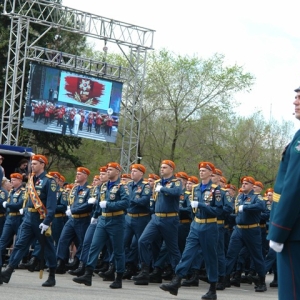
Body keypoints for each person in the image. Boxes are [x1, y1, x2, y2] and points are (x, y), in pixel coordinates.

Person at [159, 161, 223, 300]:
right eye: (200, 170)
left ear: (211, 173)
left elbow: (219, 211)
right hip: (196, 225)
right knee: (187, 254)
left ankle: (212, 289)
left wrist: (201, 205)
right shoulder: (195, 188)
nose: (201, 172)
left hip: (209, 225)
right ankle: (176, 282)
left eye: (205, 170)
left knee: (210, 257)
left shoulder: (215, 190)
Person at [1, 154, 58, 287]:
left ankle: (52, 275)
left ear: (42, 165)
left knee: (48, 247)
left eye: (35, 164)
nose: (32, 166)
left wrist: (47, 221)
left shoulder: (50, 181)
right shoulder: (31, 179)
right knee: (20, 244)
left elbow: (51, 205)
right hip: (28, 218)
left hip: (41, 219)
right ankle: (8, 271)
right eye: (31, 164)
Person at [73, 162, 130, 289]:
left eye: (110, 170)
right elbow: (100, 201)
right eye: (107, 169)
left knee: (118, 250)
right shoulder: (104, 186)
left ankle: (118, 277)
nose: (108, 171)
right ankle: (88, 275)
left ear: (117, 172)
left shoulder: (122, 186)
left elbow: (126, 203)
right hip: (103, 219)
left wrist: (109, 205)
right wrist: (96, 214)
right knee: (94, 246)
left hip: (116, 220)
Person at [267, 86, 300, 300]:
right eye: (296, 98)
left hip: (294, 232)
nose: (295, 102)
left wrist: (278, 230)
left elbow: (294, 187)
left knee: (292, 294)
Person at [133, 160, 182, 286]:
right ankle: (144, 270)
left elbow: (177, 193)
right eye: (161, 167)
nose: (162, 169)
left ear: (171, 169)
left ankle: (178, 275)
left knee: (172, 249)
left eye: (165, 167)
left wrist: (164, 189)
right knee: (142, 241)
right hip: (156, 218)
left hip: (170, 218)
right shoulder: (157, 183)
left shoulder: (176, 182)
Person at [56, 167, 93, 274]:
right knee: (63, 239)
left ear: (85, 176)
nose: (77, 175)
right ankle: (61, 262)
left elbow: (88, 205)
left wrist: (74, 210)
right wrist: (70, 209)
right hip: (72, 219)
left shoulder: (89, 189)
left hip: (83, 218)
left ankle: (79, 262)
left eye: (80, 174)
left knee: (82, 242)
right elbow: (70, 202)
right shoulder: (74, 189)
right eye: (77, 174)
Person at [0, 173, 26, 268]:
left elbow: (19, 204)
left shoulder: (23, 192)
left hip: (18, 218)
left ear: (19, 181)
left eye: (14, 180)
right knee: (2, 241)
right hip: (9, 218)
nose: (11, 182)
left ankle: (12, 264)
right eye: (11, 180)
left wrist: (7, 205)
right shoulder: (11, 192)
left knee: (18, 241)